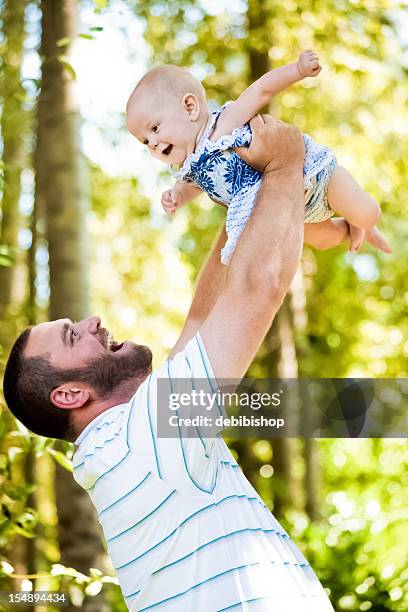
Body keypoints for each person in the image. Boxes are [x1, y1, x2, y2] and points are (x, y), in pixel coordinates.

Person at [3, 117, 334, 611]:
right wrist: (285, 162)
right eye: (73, 335)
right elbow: (258, 285)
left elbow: (203, 318)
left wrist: (241, 201)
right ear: (69, 395)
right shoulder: (147, 435)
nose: (93, 320)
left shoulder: (124, 446)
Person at [126, 54, 391, 263]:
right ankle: (351, 227)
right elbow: (191, 187)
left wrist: (297, 70)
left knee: (368, 213)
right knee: (325, 239)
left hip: (311, 176)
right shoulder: (191, 170)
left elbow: (261, 90)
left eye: (155, 128)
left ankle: (362, 223)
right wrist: (177, 196)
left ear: (190, 107)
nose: (153, 144)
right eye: (145, 141)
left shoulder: (223, 125)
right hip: (287, 208)